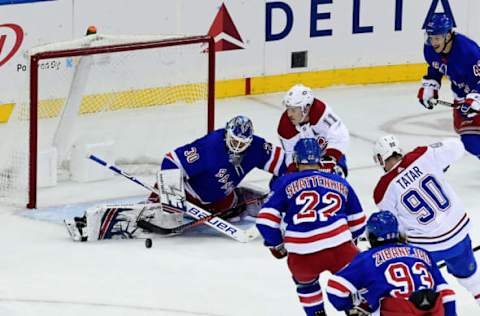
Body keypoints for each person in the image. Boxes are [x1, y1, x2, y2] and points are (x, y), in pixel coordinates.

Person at [65, 115, 286, 241]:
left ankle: (258, 206)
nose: (237, 147)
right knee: (158, 214)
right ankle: (89, 225)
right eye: (234, 141)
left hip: (220, 200)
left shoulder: (257, 147)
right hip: (187, 193)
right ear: (227, 134)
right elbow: (171, 160)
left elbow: (284, 164)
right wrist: (172, 196)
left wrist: (285, 185)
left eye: (242, 144)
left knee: (240, 205)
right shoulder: (209, 146)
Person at [256, 138, 366, 316]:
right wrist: (348, 241)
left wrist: (277, 244)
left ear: (297, 159)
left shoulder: (285, 182)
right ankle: (355, 310)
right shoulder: (339, 181)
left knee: (306, 285)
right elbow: (359, 222)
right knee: (358, 280)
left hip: (302, 255)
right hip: (340, 249)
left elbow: (265, 221)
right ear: (319, 159)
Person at [373, 134, 480, 305]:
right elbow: (457, 146)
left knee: (425, 290)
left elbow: (396, 228)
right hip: (459, 234)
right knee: (474, 281)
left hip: (427, 250)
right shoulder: (423, 155)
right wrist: (436, 158)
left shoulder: (382, 190)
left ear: (380, 158)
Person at [326, 210, 456, 316]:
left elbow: (335, 288)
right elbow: (447, 293)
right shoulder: (422, 253)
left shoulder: (367, 259)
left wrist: (353, 308)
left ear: (371, 237)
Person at [417, 12, 480, 159]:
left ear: (448, 36)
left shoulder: (468, 52)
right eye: (431, 38)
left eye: (437, 38)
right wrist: (430, 87)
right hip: (462, 98)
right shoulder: (430, 50)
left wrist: (475, 99)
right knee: (469, 140)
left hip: (476, 94)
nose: (434, 42)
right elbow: (435, 67)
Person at [277, 84, 350, 176]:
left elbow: (339, 136)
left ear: (306, 108)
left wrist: (330, 160)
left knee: (337, 174)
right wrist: (294, 173)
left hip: (326, 154)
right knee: (279, 180)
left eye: (293, 110)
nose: (289, 114)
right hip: (301, 161)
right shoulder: (285, 125)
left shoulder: (321, 112)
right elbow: (289, 153)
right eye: (288, 109)